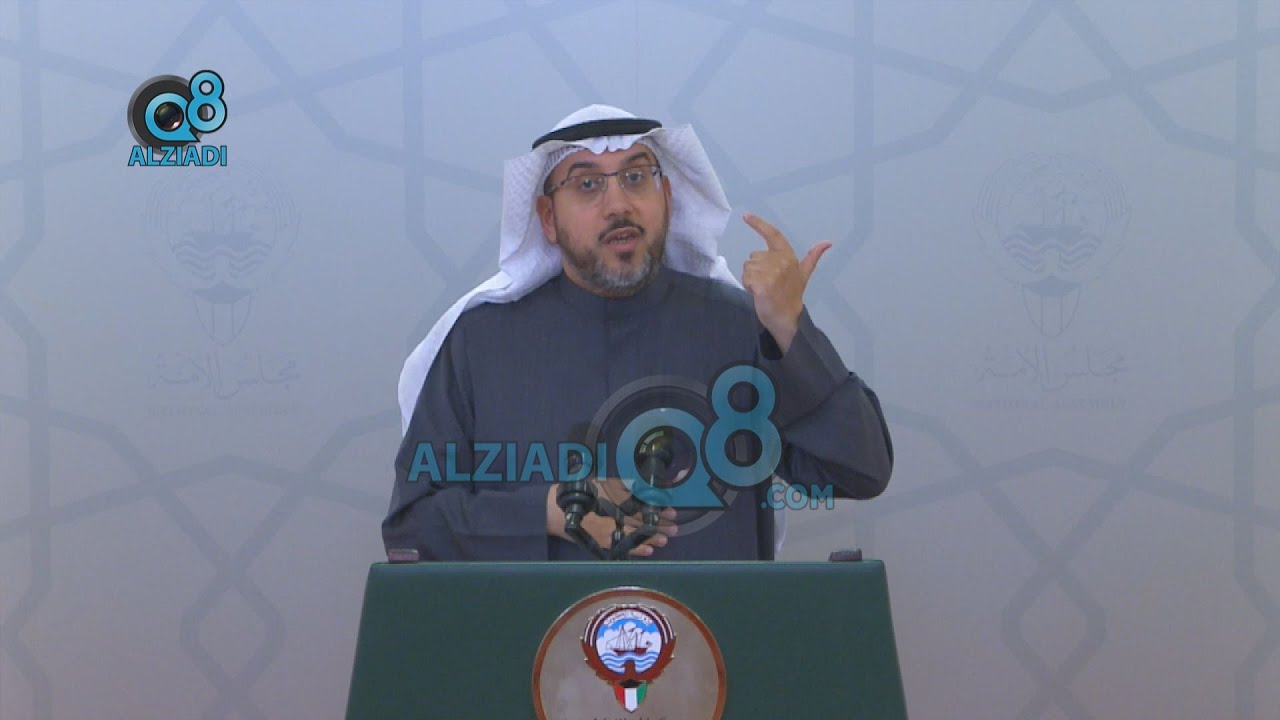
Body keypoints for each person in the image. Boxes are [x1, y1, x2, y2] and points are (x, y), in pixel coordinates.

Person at [382, 104, 893, 561]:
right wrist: (547, 511)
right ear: (548, 218)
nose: (618, 205)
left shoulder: (740, 327)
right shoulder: (481, 343)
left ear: (666, 196)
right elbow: (414, 528)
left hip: (717, 633)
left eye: (635, 178)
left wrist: (789, 327)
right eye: (587, 184)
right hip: (532, 637)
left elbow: (861, 470)